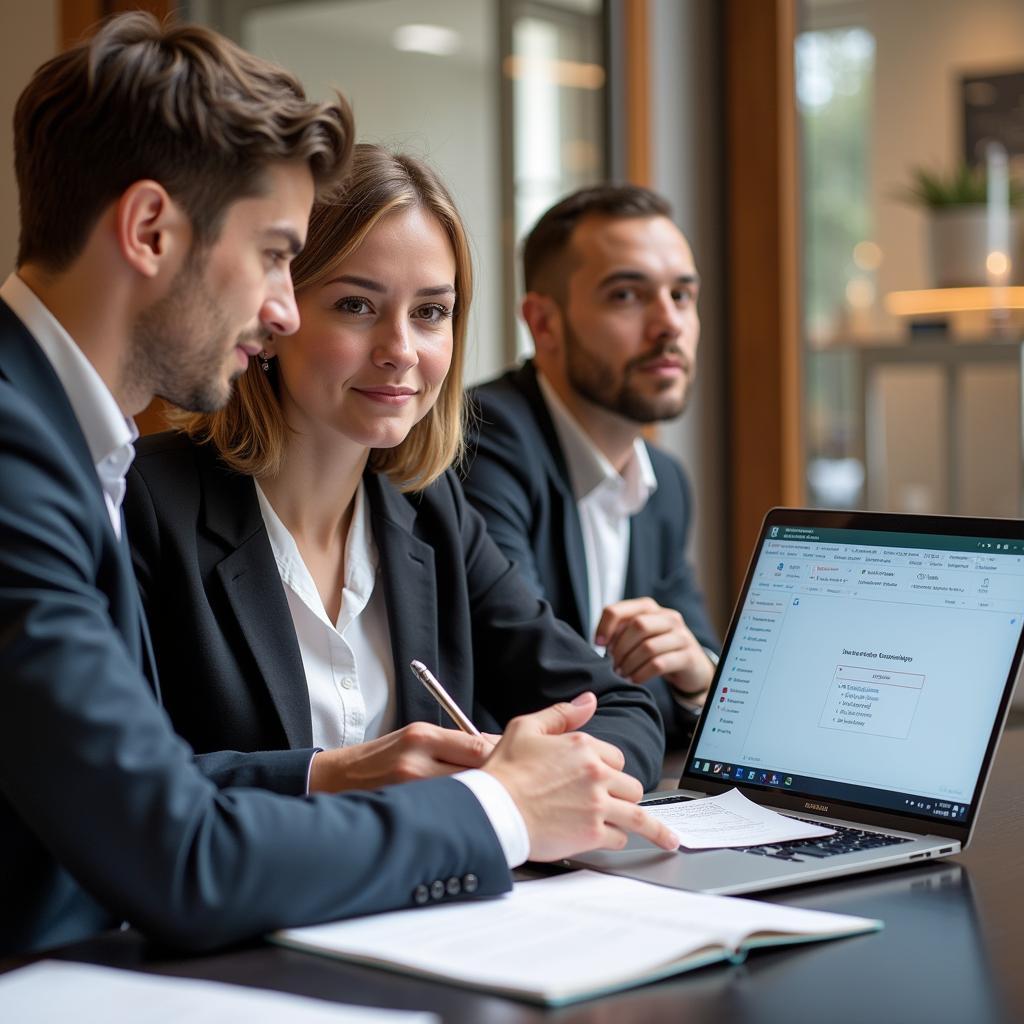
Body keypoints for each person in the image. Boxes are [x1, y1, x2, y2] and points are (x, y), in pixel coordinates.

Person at [0, 15, 675, 957]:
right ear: (150, 229)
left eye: (431, 311)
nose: (279, 309)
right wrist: (499, 808)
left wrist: (391, 778)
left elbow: (149, 802)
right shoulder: (32, 460)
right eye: (278, 255)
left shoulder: (63, 445)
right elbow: (178, 846)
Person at [124, 143, 665, 795]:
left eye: (431, 312)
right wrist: (331, 774)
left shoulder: (432, 512)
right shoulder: (143, 502)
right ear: (275, 317)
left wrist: (531, 775)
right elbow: (114, 787)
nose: (401, 351)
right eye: (356, 305)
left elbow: (623, 710)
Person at [463, 184, 721, 748]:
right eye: (627, 295)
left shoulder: (666, 483)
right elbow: (533, 691)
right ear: (544, 323)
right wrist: (666, 693)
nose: (669, 325)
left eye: (682, 295)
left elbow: (700, 676)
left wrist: (697, 678)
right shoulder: (481, 439)